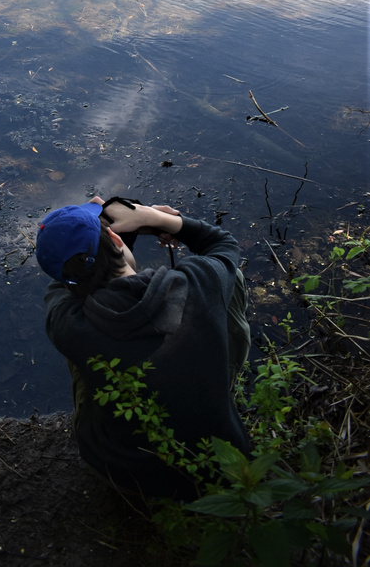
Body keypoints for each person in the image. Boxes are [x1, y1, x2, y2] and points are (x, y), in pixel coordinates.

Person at [36, 195, 251, 500]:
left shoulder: (66, 324)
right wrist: (153, 218)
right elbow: (222, 243)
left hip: (121, 477)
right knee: (230, 275)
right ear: (113, 237)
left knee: (86, 338)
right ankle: (223, 376)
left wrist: (115, 240)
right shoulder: (198, 285)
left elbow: (71, 283)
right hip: (220, 471)